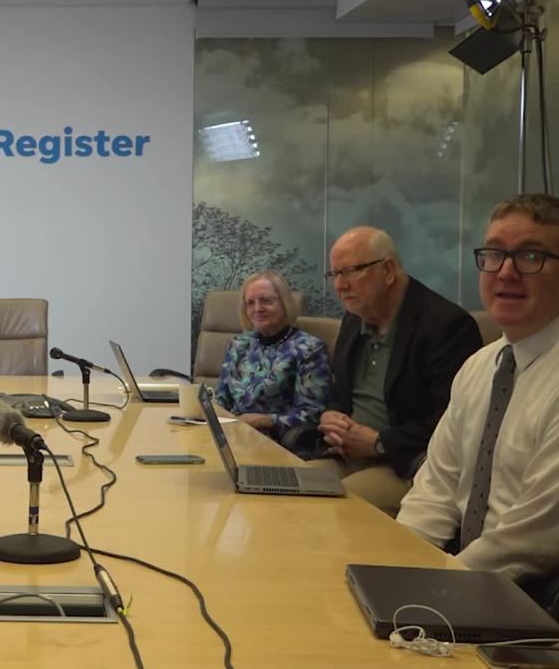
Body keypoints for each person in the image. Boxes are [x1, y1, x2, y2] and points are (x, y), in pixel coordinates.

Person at [398, 194, 559, 586]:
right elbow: (435, 490)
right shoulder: (479, 365)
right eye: (494, 254)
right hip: (465, 578)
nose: (506, 272)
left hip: (533, 604)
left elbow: (529, 542)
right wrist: (393, 568)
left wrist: (441, 588)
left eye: (531, 256)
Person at [314, 227, 482, 515]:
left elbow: (453, 424)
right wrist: (330, 414)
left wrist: (379, 443)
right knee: (287, 492)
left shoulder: (446, 326)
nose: (340, 285)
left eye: (351, 271)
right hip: (346, 455)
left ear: (388, 270)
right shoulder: (354, 318)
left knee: (334, 511)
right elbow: (340, 394)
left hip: (408, 465)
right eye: (335, 275)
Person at [215, 270, 331, 440]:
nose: (257, 309)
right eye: (250, 303)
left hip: (276, 441)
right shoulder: (238, 344)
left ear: (285, 303)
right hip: (231, 435)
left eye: (266, 301)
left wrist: (266, 420)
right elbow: (221, 399)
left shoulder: (309, 349)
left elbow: (313, 412)